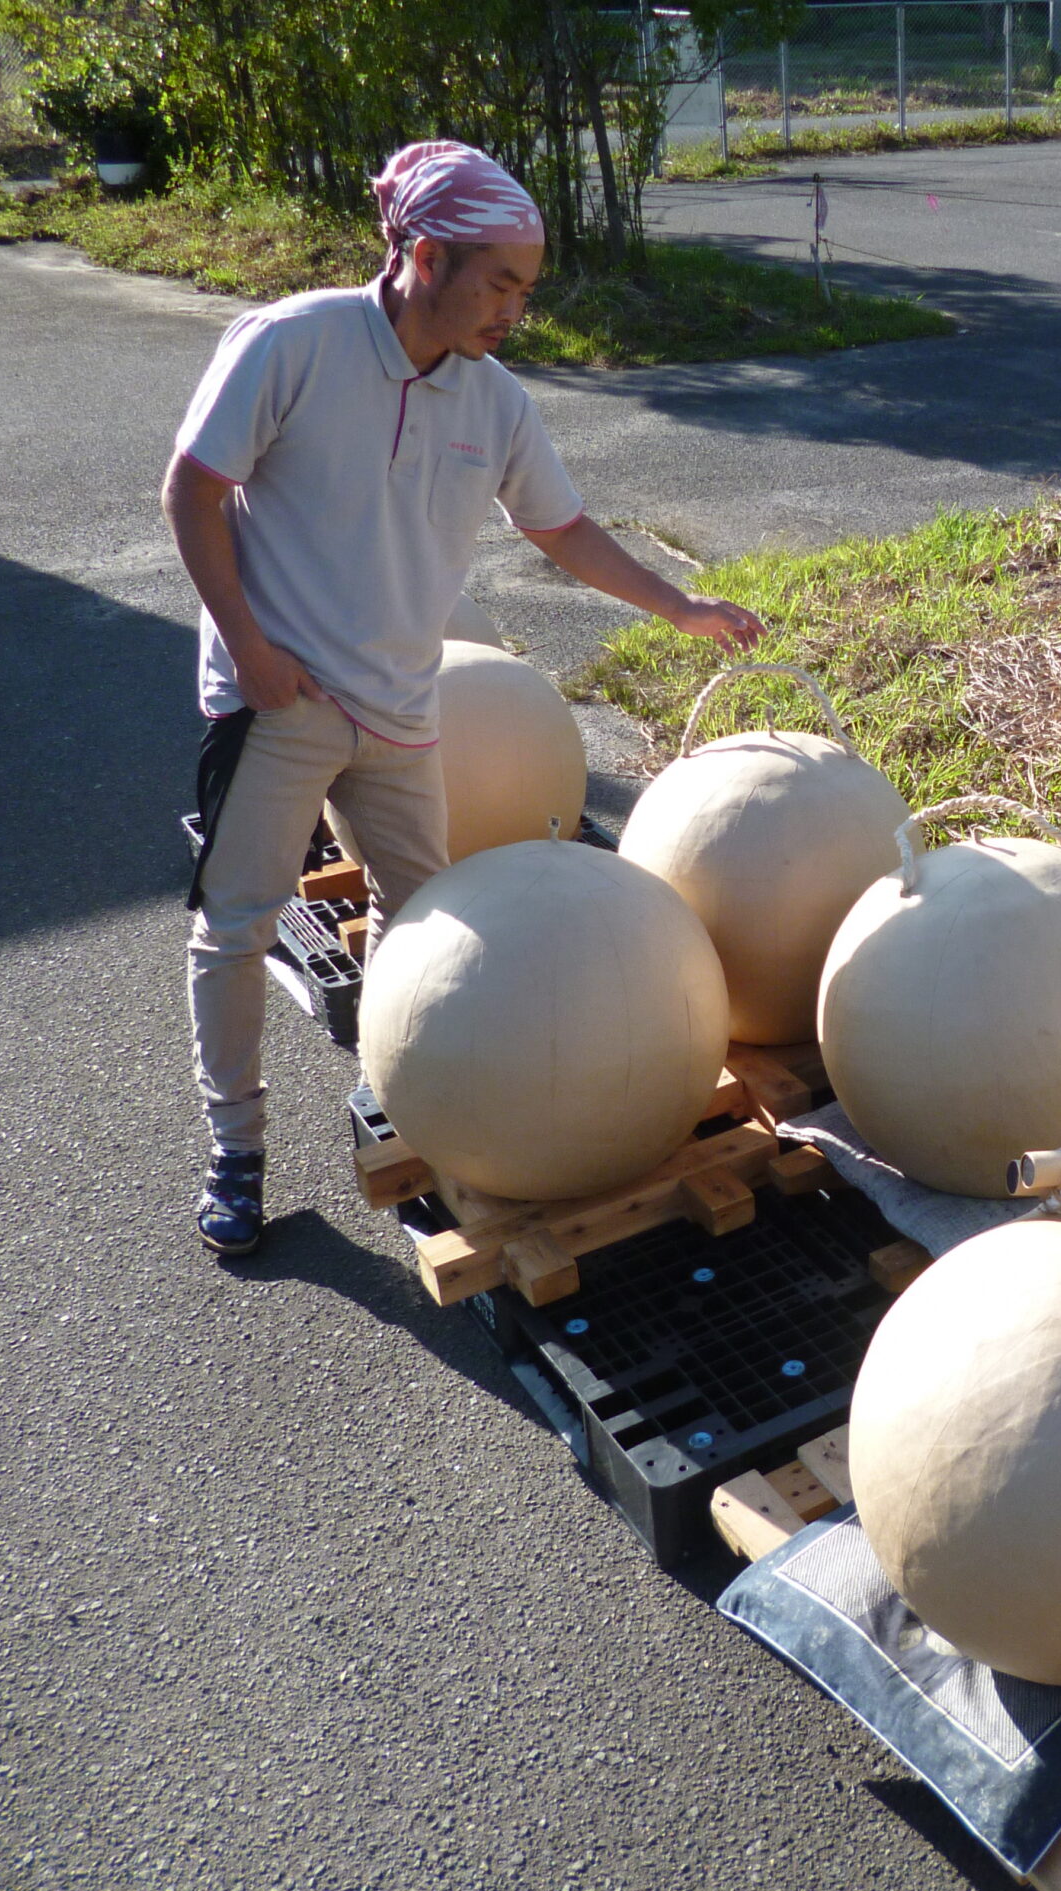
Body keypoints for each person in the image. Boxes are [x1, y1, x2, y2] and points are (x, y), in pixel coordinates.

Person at [164, 139, 762, 1257]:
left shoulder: (494, 402)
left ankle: (401, 1089)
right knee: (236, 928)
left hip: (401, 704)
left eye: (527, 291)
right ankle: (235, 1151)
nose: (516, 312)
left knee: (425, 922)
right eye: (502, 284)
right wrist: (246, 648)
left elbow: (560, 528)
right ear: (425, 256)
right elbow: (194, 487)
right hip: (280, 697)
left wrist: (678, 607)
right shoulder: (292, 343)